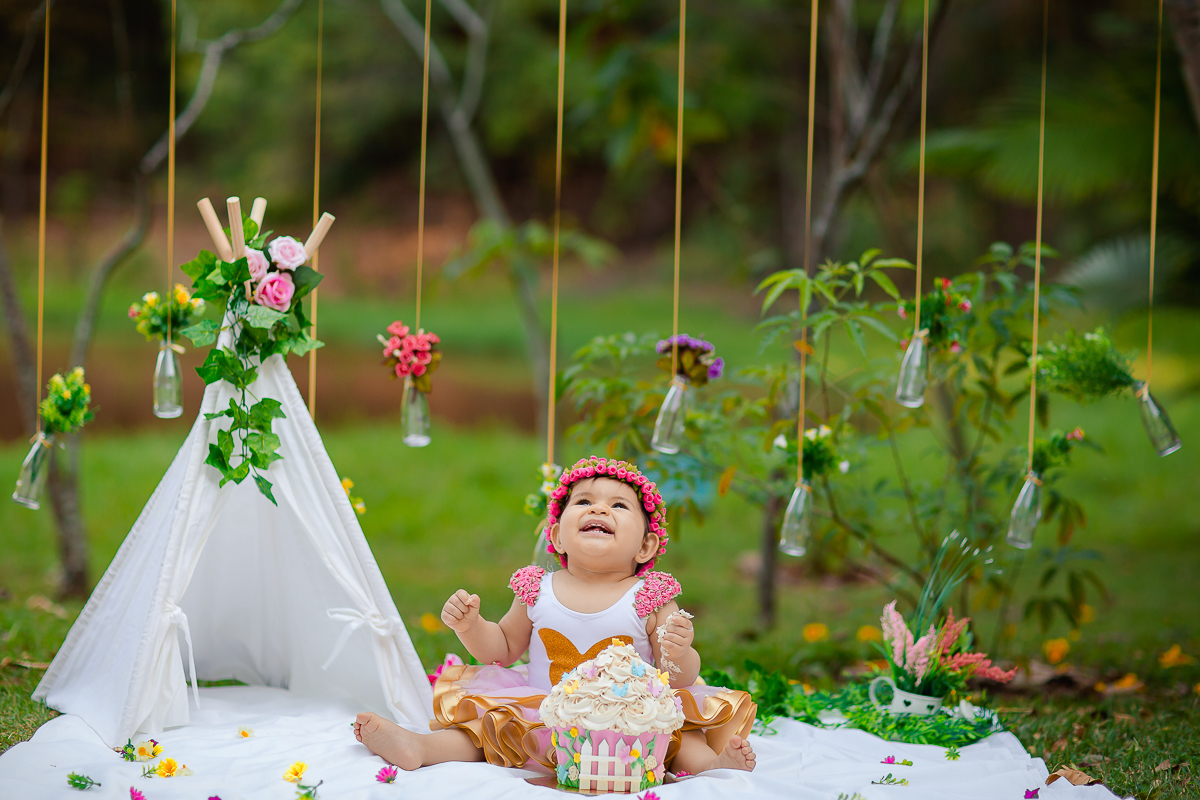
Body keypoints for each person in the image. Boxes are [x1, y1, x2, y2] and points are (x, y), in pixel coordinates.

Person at [355, 456, 757, 776]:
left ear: (646, 546)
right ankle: (418, 747)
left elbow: (679, 678)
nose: (599, 508)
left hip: (632, 727)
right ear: (558, 535)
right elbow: (503, 650)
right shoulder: (538, 589)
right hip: (544, 716)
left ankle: (712, 766)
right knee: (484, 732)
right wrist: (471, 626)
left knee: (679, 738)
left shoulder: (648, 597)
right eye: (583, 502)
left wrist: (678, 650)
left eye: (618, 505)